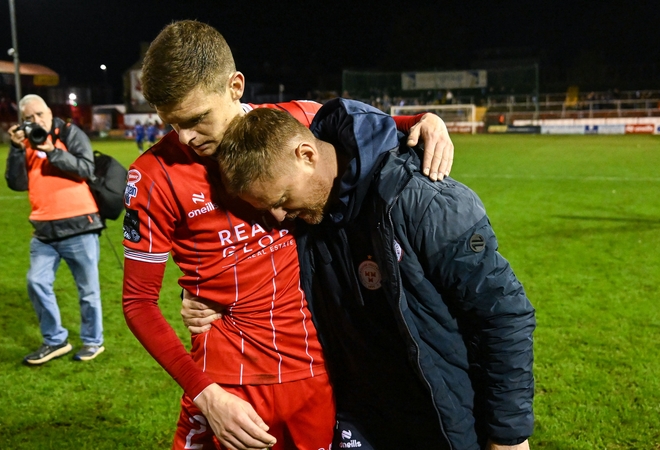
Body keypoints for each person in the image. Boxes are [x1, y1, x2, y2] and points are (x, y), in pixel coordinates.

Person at [122, 20, 455, 450]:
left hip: (317, 369)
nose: (185, 137)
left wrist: (426, 120)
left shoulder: (294, 123)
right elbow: (137, 301)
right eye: (172, 124)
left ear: (235, 86)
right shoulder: (153, 176)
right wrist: (208, 396)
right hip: (228, 382)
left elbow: (370, 132)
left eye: (197, 119)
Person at [213, 99, 535, 450]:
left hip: (442, 422)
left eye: (282, 199)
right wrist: (207, 299)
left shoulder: (422, 201)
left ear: (306, 155)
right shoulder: (307, 218)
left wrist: (508, 435)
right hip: (361, 420)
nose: (278, 217)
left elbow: (503, 317)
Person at [5, 94, 105, 365]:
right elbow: (16, 182)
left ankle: (93, 341)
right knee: (36, 282)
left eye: (39, 115)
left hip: (79, 225)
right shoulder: (24, 141)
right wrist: (15, 149)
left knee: (88, 291)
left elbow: (86, 168)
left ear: (49, 112)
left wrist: (51, 151)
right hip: (44, 230)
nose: (36, 121)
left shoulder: (70, 133)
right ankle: (55, 340)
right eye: (29, 118)